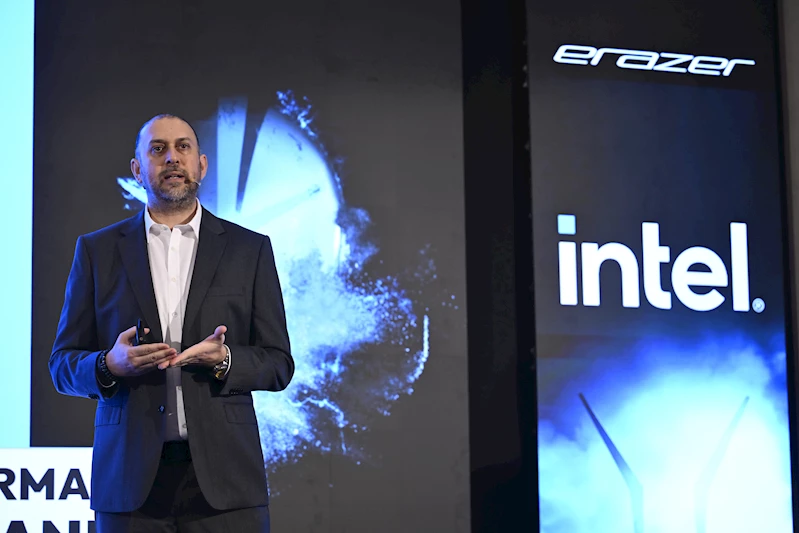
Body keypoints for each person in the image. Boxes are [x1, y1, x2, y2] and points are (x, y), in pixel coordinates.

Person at [49, 114, 294, 532]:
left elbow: (278, 363)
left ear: (201, 164)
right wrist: (109, 365)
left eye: (183, 147)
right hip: (129, 484)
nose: (172, 158)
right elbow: (62, 365)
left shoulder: (249, 249)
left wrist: (226, 360)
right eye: (158, 149)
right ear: (137, 169)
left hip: (228, 482)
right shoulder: (97, 251)